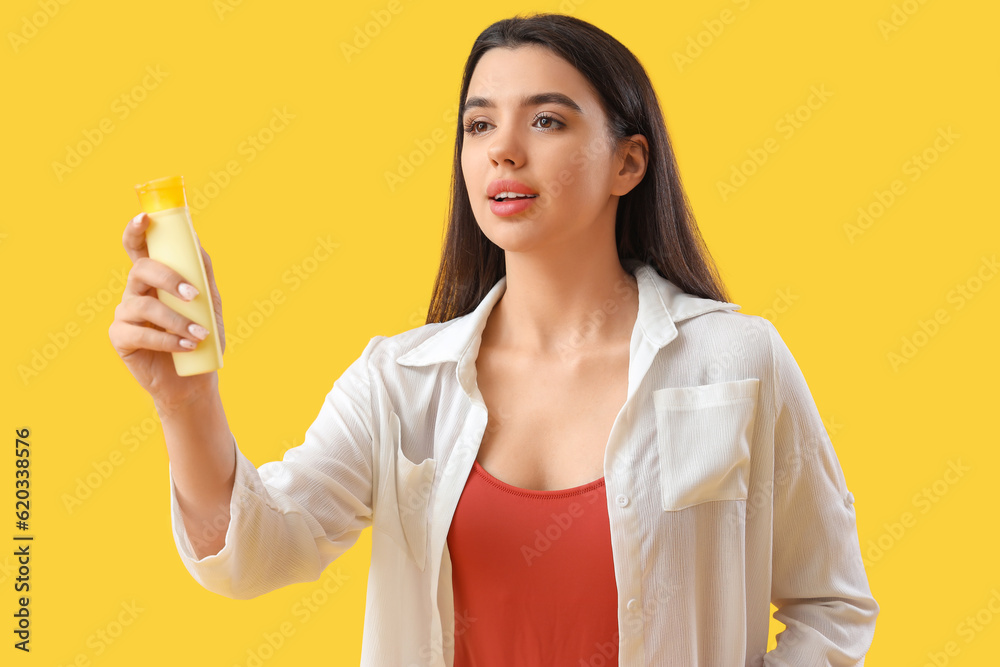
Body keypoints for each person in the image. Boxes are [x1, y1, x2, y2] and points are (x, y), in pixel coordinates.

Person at [109, 12, 878, 667]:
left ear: (627, 161)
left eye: (546, 119)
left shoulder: (735, 362)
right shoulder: (399, 383)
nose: (503, 148)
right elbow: (255, 552)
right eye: (479, 124)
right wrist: (186, 401)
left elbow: (831, 603)